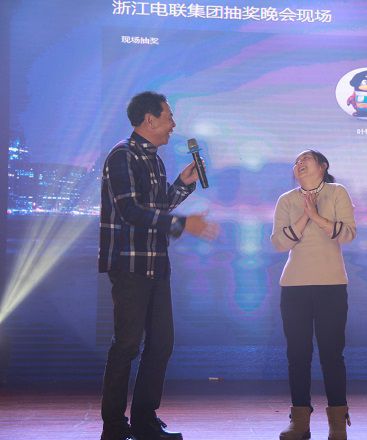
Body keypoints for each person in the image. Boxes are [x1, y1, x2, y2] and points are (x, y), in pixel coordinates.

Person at [98, 91, 218, 440]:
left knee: (161, 344)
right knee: (126, 345)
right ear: (149, 120)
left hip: (156, 264)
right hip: (130, 265)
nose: (173, 124)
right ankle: (114, 428)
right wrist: (183, 224)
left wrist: (183, 184)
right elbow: (130, 211)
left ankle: (145, 422)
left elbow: (158, 206)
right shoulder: (122, 155)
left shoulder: (154, 159)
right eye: (168, 117)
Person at [271, 150, 357, 440]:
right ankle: (300, 420)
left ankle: (337, 421)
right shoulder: (286, 199)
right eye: (296, 161)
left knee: (332, 354)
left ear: (323, 166)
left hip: (331, 285)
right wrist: (304, 217)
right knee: (297, 354)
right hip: (294, 286)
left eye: (305, 159)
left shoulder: (337, 192)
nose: (299, 164)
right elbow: (279, 243)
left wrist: (317, 216)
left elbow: (348, 234)